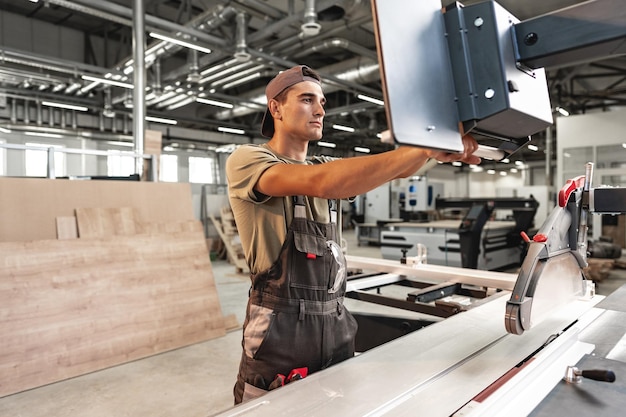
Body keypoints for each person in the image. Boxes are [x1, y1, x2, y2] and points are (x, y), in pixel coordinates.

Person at [225, 65, 480, 404]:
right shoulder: (249, 160)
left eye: (323, 103)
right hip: (279, 332)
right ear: (276, 109)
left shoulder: (323, 164)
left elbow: (390, 169)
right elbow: (325, 183)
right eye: (306, 100)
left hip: (335, 325)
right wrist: (425, 147)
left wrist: (434, 150)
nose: (319, 111)